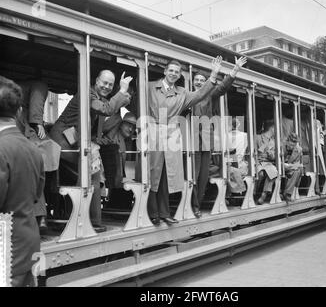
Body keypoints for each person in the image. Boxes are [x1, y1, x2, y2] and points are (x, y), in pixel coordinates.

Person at [49, 70, 133, 232]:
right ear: (96, 81)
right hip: (63, 143)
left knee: (94, 170)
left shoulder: (96, 96)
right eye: (104, 83)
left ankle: (82, 218)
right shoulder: (88, 93)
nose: (107, 87)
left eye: (110, 84)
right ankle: (91, 221)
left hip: (71, 142)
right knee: (93, 173)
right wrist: (122, 91)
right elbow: (105, 109)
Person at [147, 56, 223, 226]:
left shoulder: (182, 92)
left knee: (168, 174)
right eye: (171, 70)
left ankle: (165, 212)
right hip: (154, 134)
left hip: (172, 136)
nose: (173, 74)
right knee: (154, 173)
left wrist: (213, 75)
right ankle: (153, 213)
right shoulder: (150, 86)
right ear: (165, 71)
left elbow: (200, 93)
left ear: (179, 75)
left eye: (176, 72)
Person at [0, 76, 45, 286]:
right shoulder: (33, 149)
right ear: (19, 112)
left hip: (5, 250)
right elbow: (36, 195)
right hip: (28, 243)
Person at [191, 56, 247, 217]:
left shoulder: (209, 95)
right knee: (192, 175)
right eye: (197, 80)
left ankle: (196, 205)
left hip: (205, 141)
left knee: (202, 176)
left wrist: (234, 70)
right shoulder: (187, 95)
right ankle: (190, 204)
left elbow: (223, 87)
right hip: (190, 141)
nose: (200, 82)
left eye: (202, 80)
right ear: (193, 81)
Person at [17, 80, 61, 232]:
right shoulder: (39, 85)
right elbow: (38, 92)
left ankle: (41, 215)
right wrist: (37, 122)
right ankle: (42, 215)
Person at [255, 119, 278, 205]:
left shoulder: (274, 142)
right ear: (272, 128)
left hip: (268, 162)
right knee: (260, 173)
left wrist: (271, 155)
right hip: (257, 161)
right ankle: (253, 192)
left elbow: (274, 157)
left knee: (273, 172)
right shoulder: (257, 137)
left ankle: (264, 195)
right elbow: (254, 151)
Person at [282, 133, 302, 202]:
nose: (292, 147)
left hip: (289, 167)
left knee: (297, 171)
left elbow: (297, 164)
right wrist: (283, 164)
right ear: (287, 141)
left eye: (293, 145)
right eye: (290, 145)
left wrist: (290, 166)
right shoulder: (280, 146)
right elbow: (275, 160)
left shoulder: (299, 150)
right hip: (279, 166)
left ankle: (287, 193)